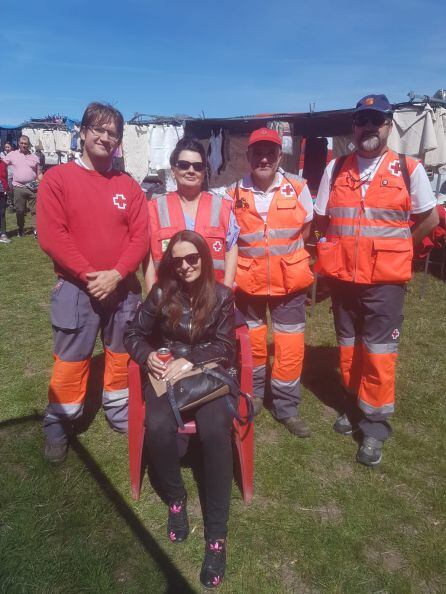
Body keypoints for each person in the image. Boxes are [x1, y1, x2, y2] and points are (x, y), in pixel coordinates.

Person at [314, 94, 439, 466]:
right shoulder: (336, 169)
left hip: (385, 282)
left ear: (388, 126)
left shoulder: (408, 168)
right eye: (362, 120)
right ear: (354, 127)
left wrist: (402, 247)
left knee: (379, 354)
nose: (368, 127)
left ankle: (374, 428)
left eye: (377, 120)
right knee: (350, 349)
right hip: (343, 278)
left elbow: (429, 219)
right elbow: (321, 219)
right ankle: (354, 407)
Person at [37, 102, 149, 463]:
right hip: (75, 287)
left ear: (118, 141)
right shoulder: (57, 180)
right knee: (71, 358)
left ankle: (118, 412)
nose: (105, 137)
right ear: (82, 133)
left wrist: (117, 274)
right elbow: (53, 236)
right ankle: (58, 423)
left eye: (112, 132)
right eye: (97, 129)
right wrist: (90, 276)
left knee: (121, 354)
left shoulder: (128, 185)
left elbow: (140, 236)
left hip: (122, 287)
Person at [124, 230, 235, 589]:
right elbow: (132, 335)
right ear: (171, 262)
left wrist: (189, 360)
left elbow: (225, 346)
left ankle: (216, 536)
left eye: (193, 258)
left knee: (217, 429)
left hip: (206, 375)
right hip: (165, 374)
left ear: (204, 259)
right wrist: (147, 355)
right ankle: (176, 498)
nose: (186, 266)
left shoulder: (221, 297)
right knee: (156, 426)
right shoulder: (160, 293)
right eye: (178, 260)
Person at [226, 127, 314, 436]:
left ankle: (286, 407)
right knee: (253, 344)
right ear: (248, 155)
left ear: (280, 156)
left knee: (289, 347)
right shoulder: (232, 193)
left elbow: (305, 231)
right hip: (248, 283)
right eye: (258, 152)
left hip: (289, 283)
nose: (264, 158)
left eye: (270, 152)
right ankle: (255, 396)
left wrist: (282, 260)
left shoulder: (299, 187)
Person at [144, 137, 238, 291]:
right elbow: (147, 257)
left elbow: (231, 249)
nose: (191, 170)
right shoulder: (154, 209)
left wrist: (226, 294)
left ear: (204, 172)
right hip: (170, 299)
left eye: (197, 166)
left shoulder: (222, 207)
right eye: (183, 165)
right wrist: (151, 296)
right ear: (174, 171)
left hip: (212, 298)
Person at [2, 135, 41, 237]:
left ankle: (36, 229)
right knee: (20, 210)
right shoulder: (12, 154)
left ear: (29, 145)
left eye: (26, 144)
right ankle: (21, 228)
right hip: (18, 187)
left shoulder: (35, 157)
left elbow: (39, 173)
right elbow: (2, 165)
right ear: (19, 144)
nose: (24, 145)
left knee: (35, 210)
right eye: (22, 143)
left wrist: (42, 183)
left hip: (33, 188)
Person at [0, 158, 10, 243]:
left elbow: (6, 177)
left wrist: (7, 189)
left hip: (2, 192)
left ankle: (3, 234)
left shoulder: (3, 163)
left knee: (2, 213)